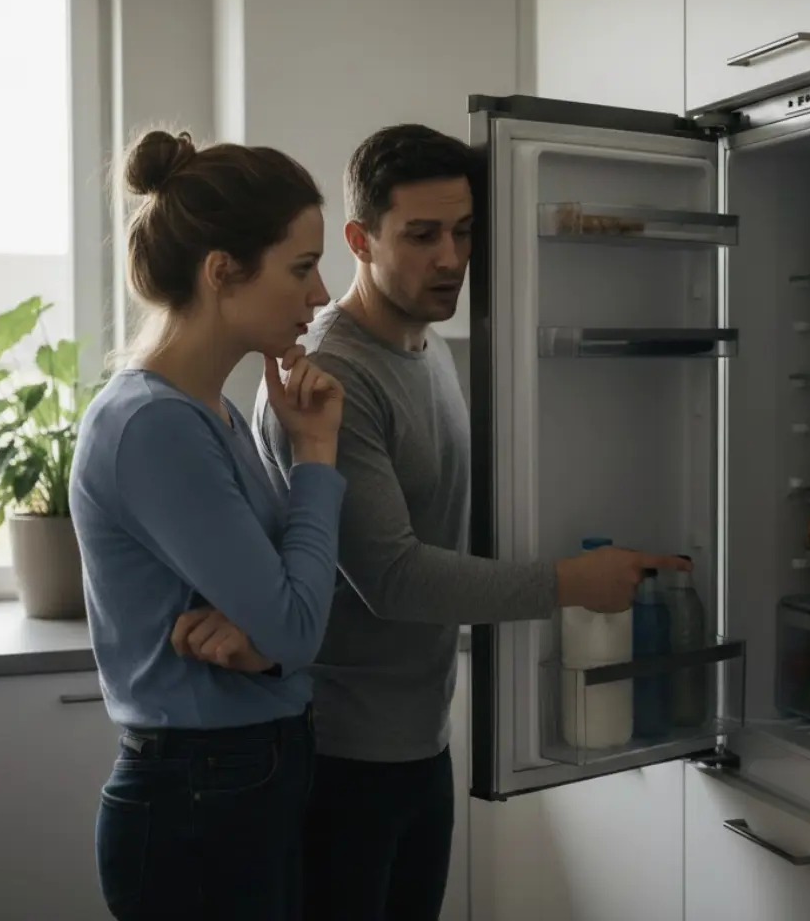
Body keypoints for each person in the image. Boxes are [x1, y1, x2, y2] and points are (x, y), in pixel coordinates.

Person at [243, 123, 688, 919]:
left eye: (464, 230)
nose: (450, 257)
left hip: (420, 743)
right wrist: (569, 583)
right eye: (421, 235)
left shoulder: (428, 345)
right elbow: (393, 576)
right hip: (337, 757)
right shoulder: (332, 372)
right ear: (359, 238)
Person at [69, 129, 347, 921]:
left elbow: (285, 622)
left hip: (237, 778)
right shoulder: (154, 427)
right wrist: (317, 458)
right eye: (301, 268)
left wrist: (268, 651)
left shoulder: (209, 412)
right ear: (223, 273)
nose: (320, 294)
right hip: (201, 793)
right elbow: (298, 623)